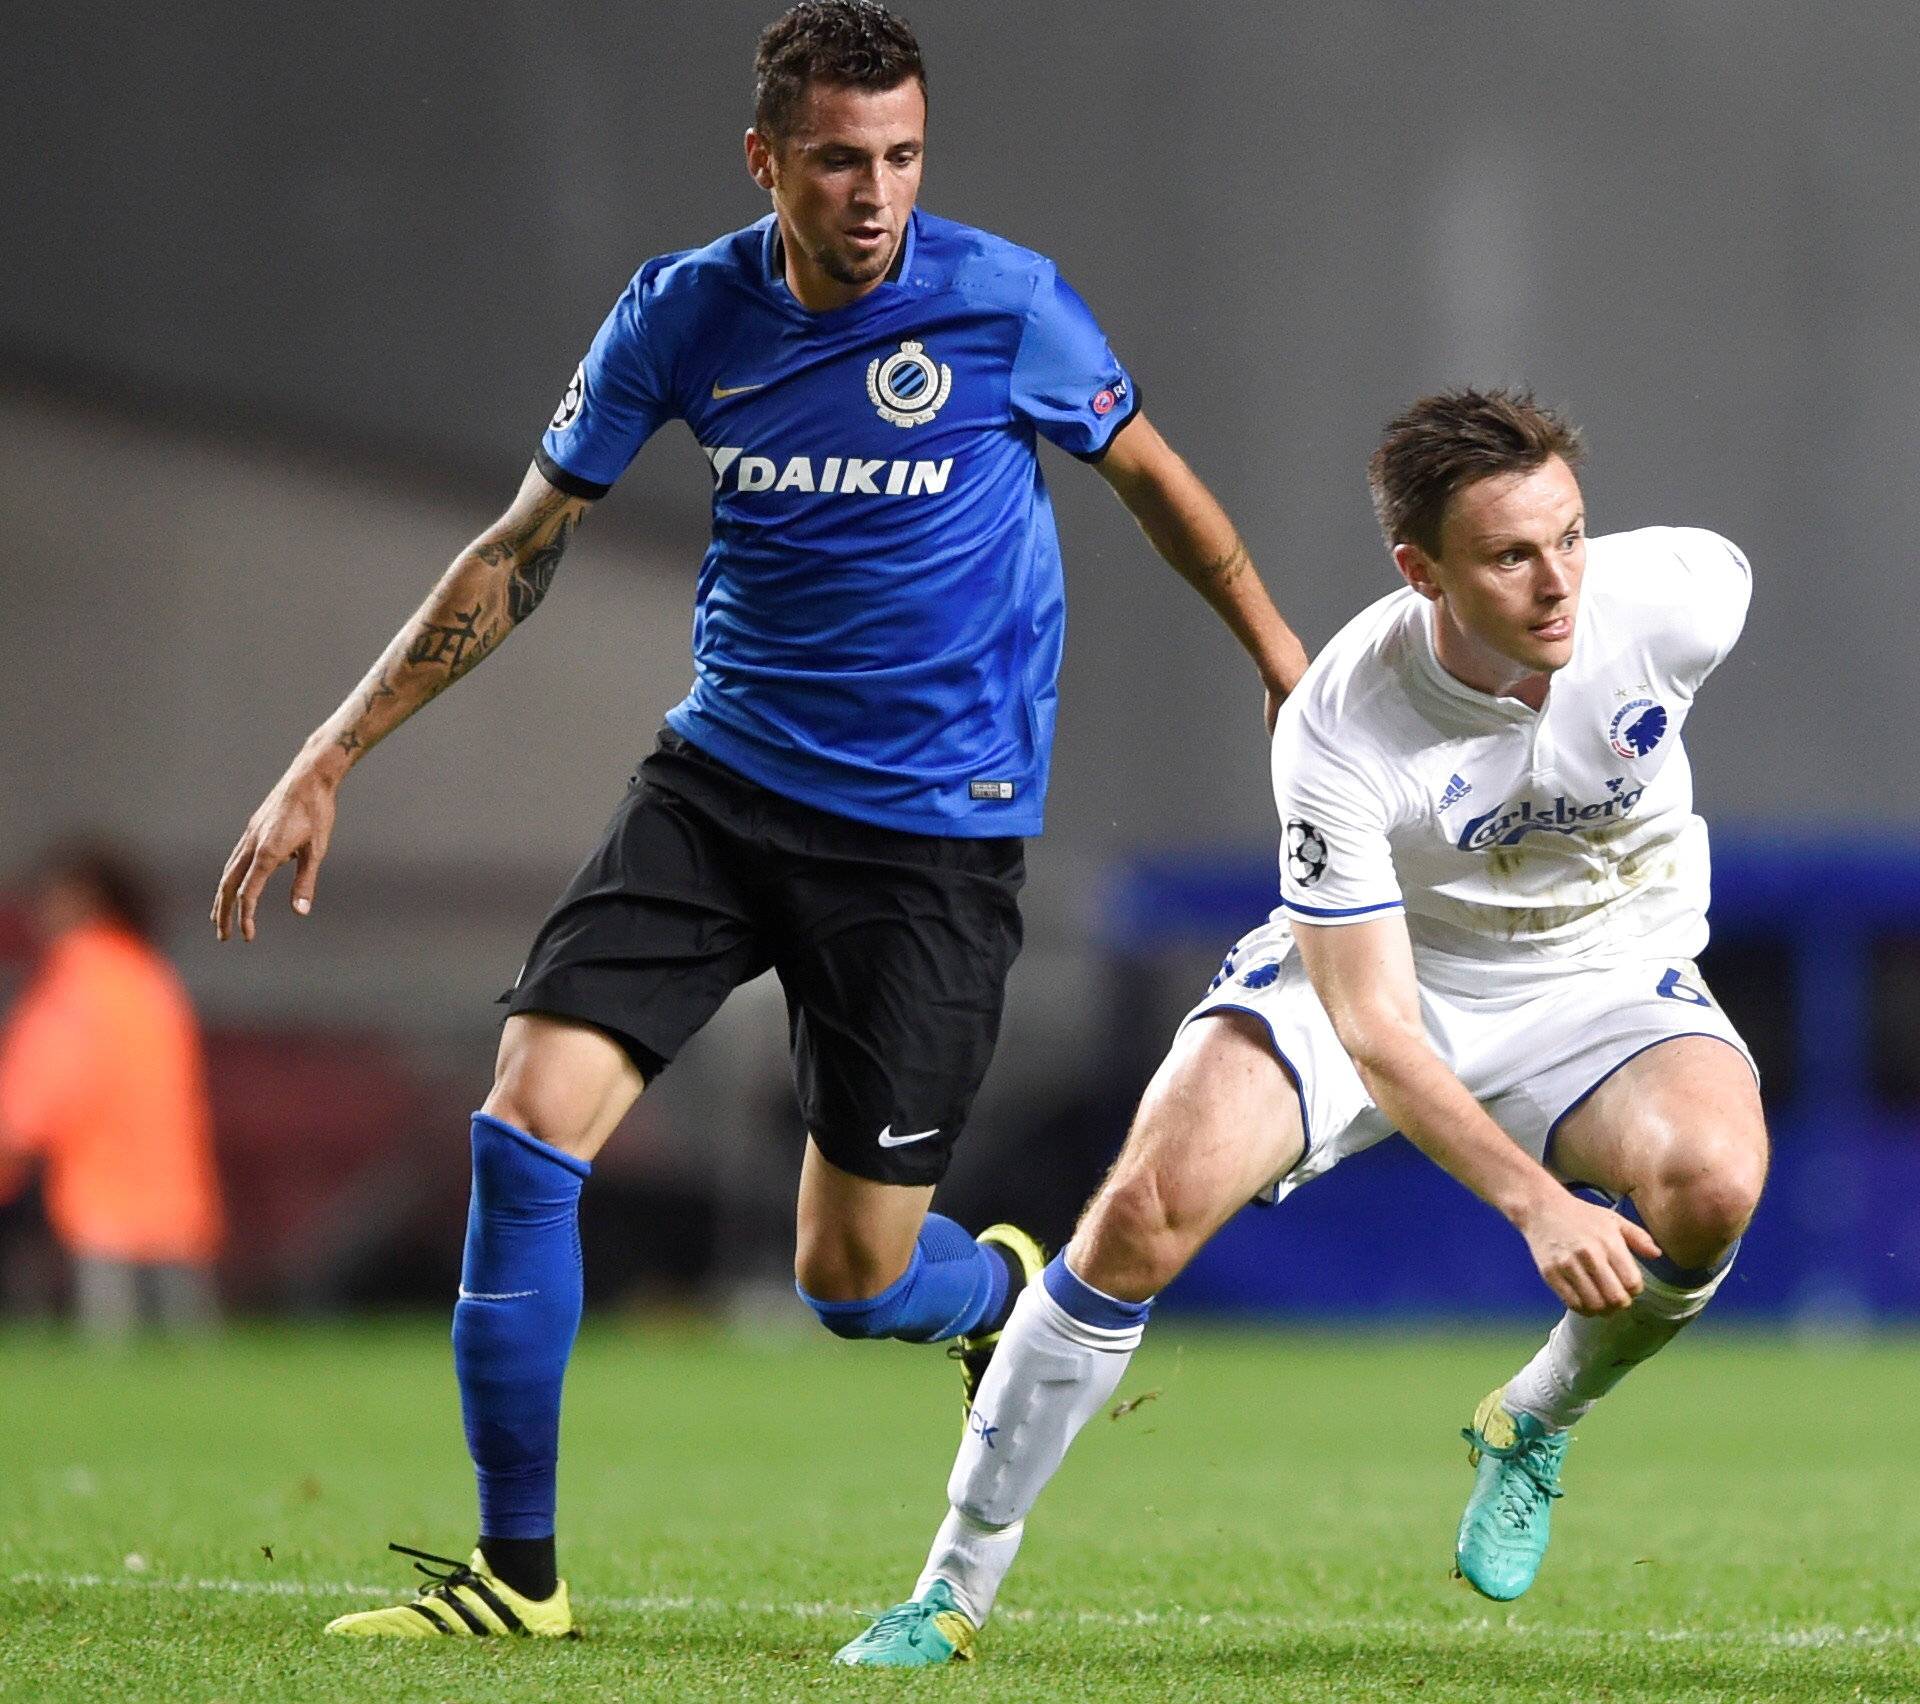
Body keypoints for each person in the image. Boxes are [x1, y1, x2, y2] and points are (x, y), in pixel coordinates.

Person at [210, 0, 1309, 1640]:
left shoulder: (1005, 304)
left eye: (903, 157)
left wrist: (1293, 672)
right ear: (767, 161)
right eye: (839, 162)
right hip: (719, 790)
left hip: (929, 838)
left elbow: (1155, 482)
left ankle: (996, 1289)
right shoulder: (682, 312)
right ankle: (520, 1577)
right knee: (526, 1124)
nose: (877, 193)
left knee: (848, 1279)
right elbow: (521, 546)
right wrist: (332, 746)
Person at [833, 387, 1769, 1667]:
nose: (1559, 584)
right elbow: (1379, 1027)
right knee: (1141, 1214)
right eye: (1509, 555)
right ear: (1419, 569)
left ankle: (1535, 1418)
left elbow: (1635, 591)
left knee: (1716, 1186)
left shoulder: (1686, 594)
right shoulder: (1343, 719)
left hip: (1598, 970)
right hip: (1382, 972)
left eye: (1570, 536)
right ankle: (949, 1587)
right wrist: (1537, 1204)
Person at [0, 840, 224, 1337]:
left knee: (112, 1350)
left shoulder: (78, 979)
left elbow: (38, 1090)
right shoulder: (151, 976)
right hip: (174, 1195)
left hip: (104, 1193)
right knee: (189, 1356)